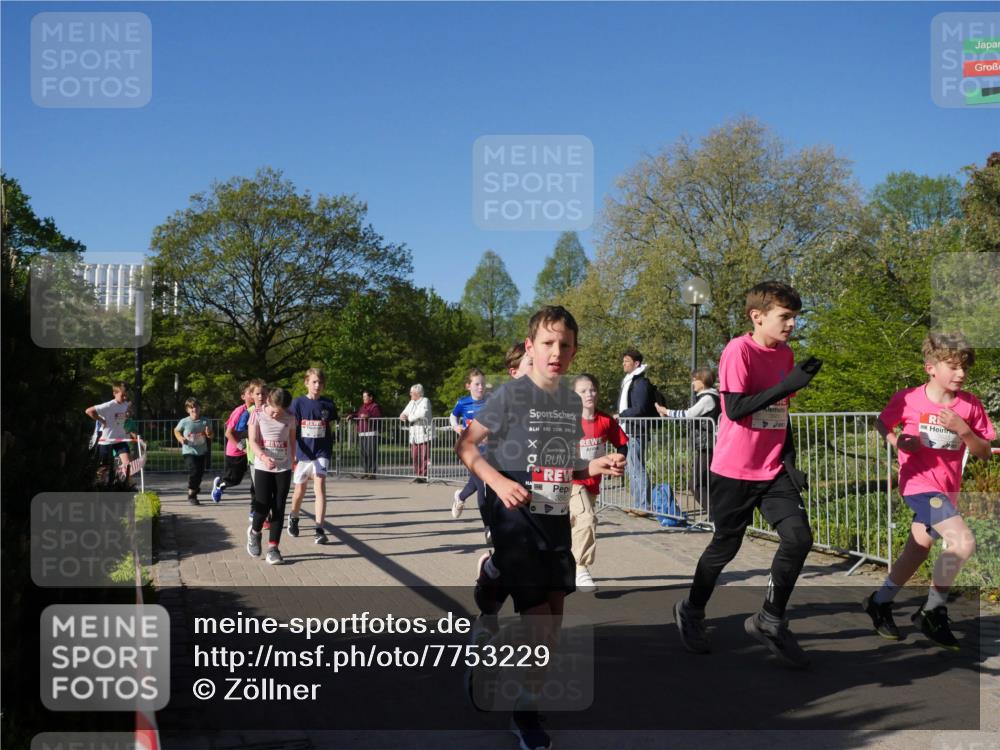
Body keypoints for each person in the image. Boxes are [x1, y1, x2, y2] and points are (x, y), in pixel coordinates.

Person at [456, 305, 625, 750]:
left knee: (553, 624)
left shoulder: (568, 402)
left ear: (574, 352)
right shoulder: (511, 396)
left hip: (553, 518)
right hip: (514, 518)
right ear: (530, 347)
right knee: (541, 628)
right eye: (548, 343)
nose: (556, 352)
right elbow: (467, 446)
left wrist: (595, 464)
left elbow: (562, 461)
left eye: (565, 345)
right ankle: (524, 714)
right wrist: (497, 482)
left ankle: (491, 579)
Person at [673, 281, 822, 669]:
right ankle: (691, 609)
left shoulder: (785, 353)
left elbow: (781, 413)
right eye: (784, 316)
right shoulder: (738, 350)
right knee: (725, 547)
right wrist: (787, 385)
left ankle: (769, 620)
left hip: (772, 469)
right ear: (757, 316)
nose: (792, 324)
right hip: (734, 471)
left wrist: (790, 460)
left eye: (795, 317)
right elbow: (735, 409)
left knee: (799, 538)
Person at [863, 332, 995, 649]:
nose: (961, 374)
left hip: (947, 490)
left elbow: (984, 453)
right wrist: (897, 442)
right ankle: (932, 611)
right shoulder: (909, 398)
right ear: (931, 368)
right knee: (963, 542)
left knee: (917, 551)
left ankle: (879, 603)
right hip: (918, 485)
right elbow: (882, 423)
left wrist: (964, 431)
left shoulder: (970, 405)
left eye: (965, 367)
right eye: (953, 366)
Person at [472, 343, 532, 619]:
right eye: (530, 364)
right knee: (514, 556)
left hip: (539, 495)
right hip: (504, 491)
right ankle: (490, 582)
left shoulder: (551, 402)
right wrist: (497, 481)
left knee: (530, 559)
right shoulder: (503, 400)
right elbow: (468, 445)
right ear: (513, 371)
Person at [571, 374, 629, 593]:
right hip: (570, 481)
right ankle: (581, 568)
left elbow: (622, 444)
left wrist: (619, 458)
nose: (589, 394)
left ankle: (565, 566)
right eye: (583, 391)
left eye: (592, 390)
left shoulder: (605, 420)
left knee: (575, 524)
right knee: (586, 519)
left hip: (592, 483)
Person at [656, 368, 721, 508]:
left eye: (694, 380)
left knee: (695, 484)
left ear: (702, 381)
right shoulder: (708, 397)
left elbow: (688, 414)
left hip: (707, 445)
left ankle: (715, 515)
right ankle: (715, 514)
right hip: (706, 445)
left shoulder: (707, 398)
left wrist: (666, 411)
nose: (692, 383)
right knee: (703, 482)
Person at [287, 368, 338, 544]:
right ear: (306, 383)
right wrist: (292, 453)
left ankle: (319, 529)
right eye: (314, 382)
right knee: (299, 490)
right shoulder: (297, 403)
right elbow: (292, 429)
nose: (317, 385)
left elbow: (330, 425)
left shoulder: (328, 404)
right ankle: (294, 516)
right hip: (303, 453)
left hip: (321, 452)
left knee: (320, 487)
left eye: (320, 382)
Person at [247, 387, 297, 565]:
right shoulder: (257, 414)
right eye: (274, 411)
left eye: (280, 412)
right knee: (262, 506)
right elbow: (253, 441)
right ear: (268, 401)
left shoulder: (290, 417)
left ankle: (273, 548)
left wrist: (294, 460)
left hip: (283, 467)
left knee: (279, 507)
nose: (276, 415)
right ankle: (254, 533)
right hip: (263, 466)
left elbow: (292, 440)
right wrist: (263, 457)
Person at [617, 349, 656, 510]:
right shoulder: (630, 381)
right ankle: (638, 504)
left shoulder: (640, 383)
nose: (623, 364)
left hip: (636, 431)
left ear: (636, 363)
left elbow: (640, 408)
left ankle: (643, 505)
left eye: (627, 361)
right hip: (628, 430)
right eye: (624, 361)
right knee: (631, 468)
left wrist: (621, 415)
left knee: (637, 468)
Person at [450, 368, 487, 518]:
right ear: (468, 386)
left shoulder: (492, 401)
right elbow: (453, 416)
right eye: (477, 384)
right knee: (482, 486)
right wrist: (456, 426)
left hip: (489, 450)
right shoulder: (463, 403)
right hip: (470, 450)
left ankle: (460, 497)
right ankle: (488, 526)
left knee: (476, 483)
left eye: (483, 384)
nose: (481, 387)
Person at [212, 382, 254, 503]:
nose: (253, 395)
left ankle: (256, 506)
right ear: (243, 396)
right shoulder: (239, 411)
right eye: (250, 393)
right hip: (236, 452)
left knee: (254, 480)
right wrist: (242, 447)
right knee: (234, 480)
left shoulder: (257, 410)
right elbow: (228, 433)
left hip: (251, 451)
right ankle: (219, 485)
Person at [86, 381, 133, 485]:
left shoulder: (125, 404)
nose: (125, 398)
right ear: (114, 393)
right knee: (103, 468)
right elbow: (88, 411)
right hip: (106, 440)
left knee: (127, 464)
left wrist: (127, 414)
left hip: (119, 439)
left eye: (126, 395)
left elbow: (126, 412)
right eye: (122, 395)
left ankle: (128, 486)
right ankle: (100, 485)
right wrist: (102, 420)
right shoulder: (108, 405)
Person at [173, 397, 214, 505]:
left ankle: (194, 489)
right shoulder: (184, 421)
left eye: (196, 407)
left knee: (199, 473)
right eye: (191, 407)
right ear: (187, 410)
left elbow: (211, 435)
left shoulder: (205, 421)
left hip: (202, 451)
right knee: (194, 470)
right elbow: (176, 430)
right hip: (189, 451)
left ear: (200, 408)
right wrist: (180, 438)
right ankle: (192, 494)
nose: (194, 409)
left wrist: (208, 433)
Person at [400, 383, 433, 482]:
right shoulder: (411, 402)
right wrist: (403, 416)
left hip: (424, 432)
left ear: (417, 393)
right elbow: (404, 412)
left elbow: (422, 414)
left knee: (424, 456)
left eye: (411, 392)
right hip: (414, 433)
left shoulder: (425, 400)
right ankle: (418, 474)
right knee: (414, 456)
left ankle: (423, 476)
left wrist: (410, 417)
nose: (410, 394)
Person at [346, 390, 382, 479]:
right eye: (363, 397)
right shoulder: (362, 407)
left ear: (371, 397)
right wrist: (352, 416)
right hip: (362, 433)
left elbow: (376, 417)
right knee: (364, 454)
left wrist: (368, 416)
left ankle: (372, 474)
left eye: (365, 397)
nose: (363, 398)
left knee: (371, 454)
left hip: (371, 433)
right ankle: (366, 472)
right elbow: (358, 414)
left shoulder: (375, 406)